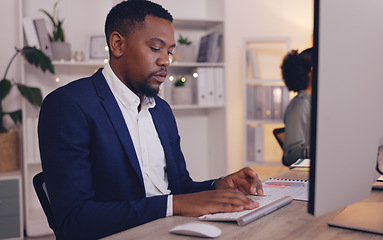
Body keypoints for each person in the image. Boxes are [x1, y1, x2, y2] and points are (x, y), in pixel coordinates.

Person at [38, 1, 263, 239]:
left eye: (170, 51)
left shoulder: (161, 110)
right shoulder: (69, 106)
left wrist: (216, 186)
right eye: (156, 48)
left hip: (171, 231)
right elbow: (75, 220)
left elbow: (179, 188)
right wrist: (173, 205)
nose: (166, 61)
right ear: (117, 44)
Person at [280, 47, 313, 166]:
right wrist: (322, 151)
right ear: (311, 71)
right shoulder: (300, 105)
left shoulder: (314, 103)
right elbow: (290, 155)